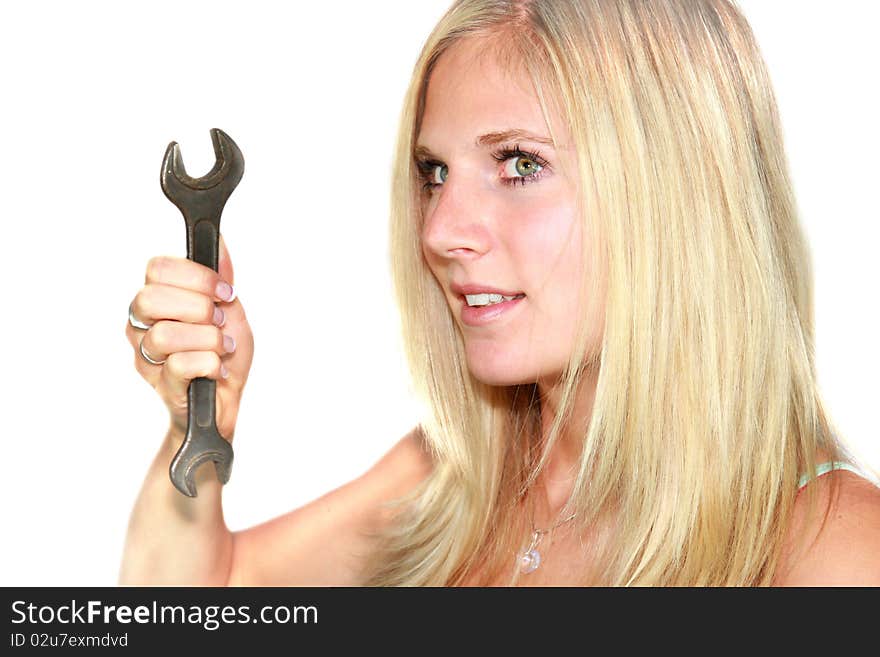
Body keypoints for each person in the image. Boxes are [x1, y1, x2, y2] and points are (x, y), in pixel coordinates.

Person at [120, 0, 880, 586]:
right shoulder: (451, 481)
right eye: (435, 173)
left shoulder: (830, 547)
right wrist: (199, 424)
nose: (443, 230)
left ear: (677, 190)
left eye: (520, 164)